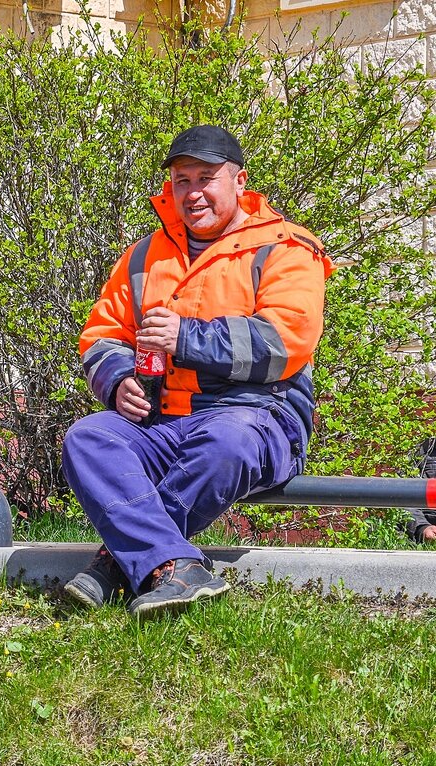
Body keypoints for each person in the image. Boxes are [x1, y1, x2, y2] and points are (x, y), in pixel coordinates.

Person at [61, 126, 334, 617]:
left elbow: (284, 341)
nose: (193, 192)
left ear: (239, 181)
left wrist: (186, 338)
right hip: (163, 420)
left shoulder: (288, 248)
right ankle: (176, 568)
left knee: (225, 442)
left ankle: (118, 565)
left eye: (206, 178)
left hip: (257, 416)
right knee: (88, 437)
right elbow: (101, 334)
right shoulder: (145, 254)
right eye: (182, 180)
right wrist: (118, 379)